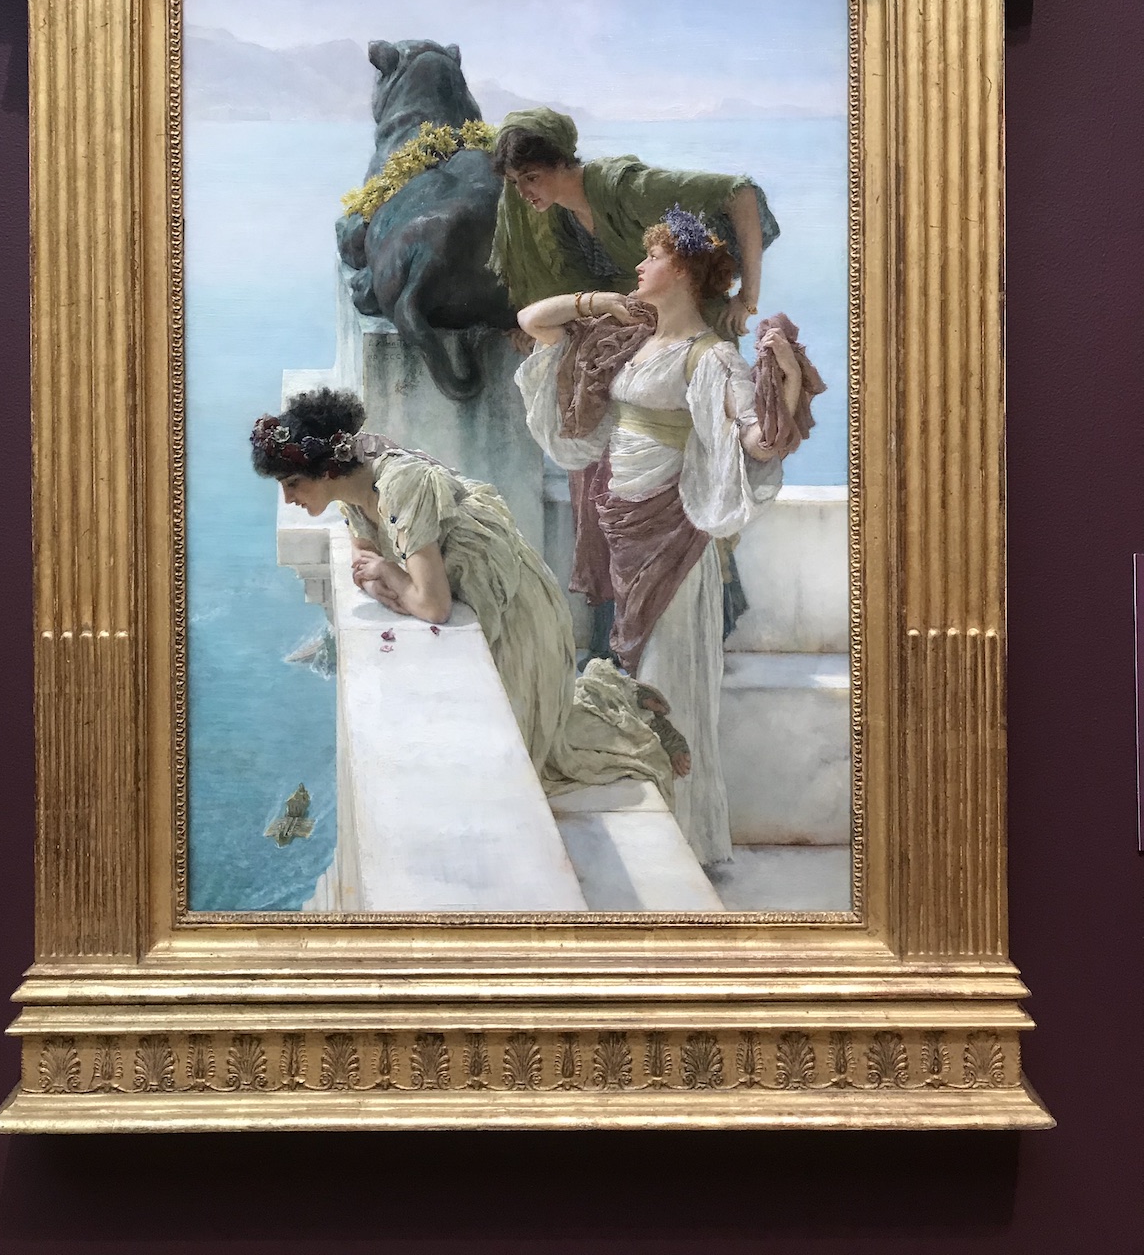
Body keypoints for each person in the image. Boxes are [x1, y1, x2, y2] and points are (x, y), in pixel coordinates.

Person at [514, 209, 809, 866]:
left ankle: (685, 840)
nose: (639, 267)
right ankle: (656, 832)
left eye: (652, 258)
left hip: (673, 536)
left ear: (681, 271)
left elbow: (758, 443)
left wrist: (785, 379)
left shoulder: (713, 357)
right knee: (634, 678)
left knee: (667, 676)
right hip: (622, 528)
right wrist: (598, 302)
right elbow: (535, 321)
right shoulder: (635, 333)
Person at [250, 388, 693, 811]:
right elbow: (362, 562)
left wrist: (391, 575)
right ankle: (621, 699)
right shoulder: (352, 492)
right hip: (486, 601)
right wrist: (386, 579)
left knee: (536, 761)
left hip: (517, 610)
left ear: (327, 469)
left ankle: (632, 711)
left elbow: (432, 605)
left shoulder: (399, 484)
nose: (288, 498)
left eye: (293, 483)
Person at [490, 106, 781, 338]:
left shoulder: (625, 189)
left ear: (561, 162)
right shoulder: (561, 217)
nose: (523, 192)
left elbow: (739, 193)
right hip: (636, 334)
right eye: (515, 181)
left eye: (532, 178)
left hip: (695, 331)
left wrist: (748, 298)